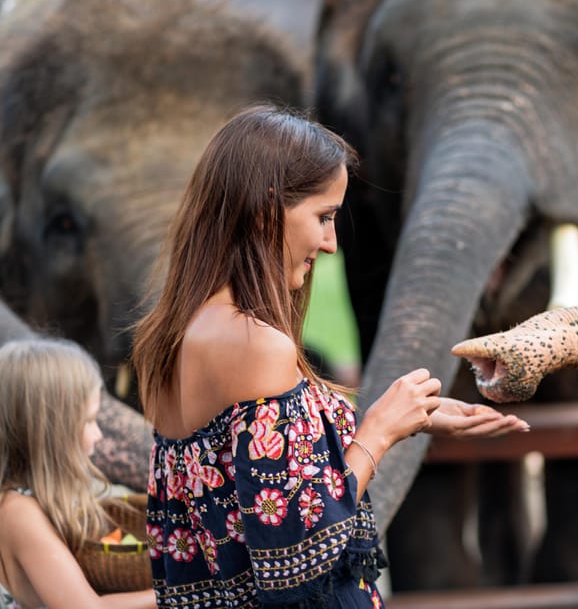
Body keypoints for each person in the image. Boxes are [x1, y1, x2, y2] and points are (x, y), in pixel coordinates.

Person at [131, 104, 528, 608]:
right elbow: (297, 555)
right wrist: (378, 432)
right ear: (265, 208)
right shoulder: (257, 345)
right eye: (323, 217)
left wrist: (407, 416)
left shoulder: (170, 339)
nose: (331, 243)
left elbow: (256, 483)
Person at [0, 337, 156, 609]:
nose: (97, 435)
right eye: (88, 421)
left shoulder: (29, 500)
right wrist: (182, 591)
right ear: (52, 433)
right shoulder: (17, 512)